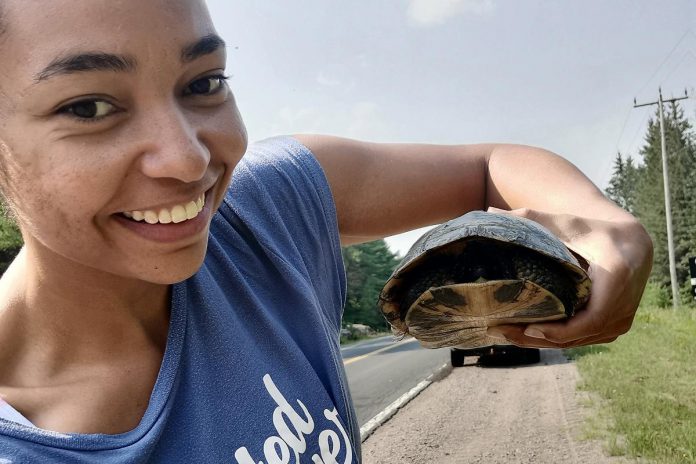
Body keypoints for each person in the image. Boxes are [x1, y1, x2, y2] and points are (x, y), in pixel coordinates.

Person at [0, 0, 652, 462]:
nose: (188, 158)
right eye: (87, 107)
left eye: (205, 82)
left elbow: (491, 166)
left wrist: (608, 226)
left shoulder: (264, 210)